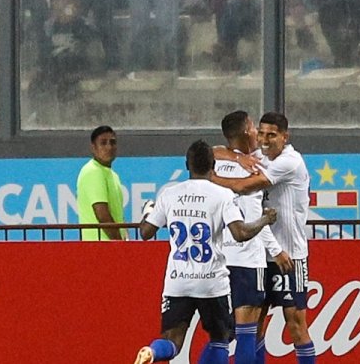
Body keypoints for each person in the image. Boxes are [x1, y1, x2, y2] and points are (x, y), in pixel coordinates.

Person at [133, 139, 276, 364]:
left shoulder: (169, 194)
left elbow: (145, 232)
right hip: (211, 282)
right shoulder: (222, 195)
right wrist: (265, 220)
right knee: (220, 339)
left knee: (172, 341)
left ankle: (152, 352)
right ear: (213, 165)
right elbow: (240, 233)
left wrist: (148, 211)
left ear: (186, 165)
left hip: (178, 281)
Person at [209, 111, 315, 364]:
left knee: (296, 325)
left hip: (288, 255)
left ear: (285, 137)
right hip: (260, 255)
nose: (265, 140)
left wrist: (210, 178)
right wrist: (238, 157)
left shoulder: (290, 162)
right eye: (262, 133)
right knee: (254, 325)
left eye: (272, 135)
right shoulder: (258, 156)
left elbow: (244, 187)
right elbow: (214, 150)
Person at [212, 111, 286, 364]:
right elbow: (256, 220)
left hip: (220, 259)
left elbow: (209, 150)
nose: (257, 132)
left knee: (222, 333)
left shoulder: (213, 165)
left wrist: (235, 156)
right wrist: (275, 250)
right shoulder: (254, 167)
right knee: (248, 331)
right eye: (254, 127)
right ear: (246, 131)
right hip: (246, 259)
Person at [75, 125, 125, 241]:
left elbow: (119, 217)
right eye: (103, 143)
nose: (109, 147)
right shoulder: (93, 171)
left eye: (112, 142)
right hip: (99, 247)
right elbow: (102, 215)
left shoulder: (114, 175)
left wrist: (125, 239)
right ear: (93, 147)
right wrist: (120, 244)